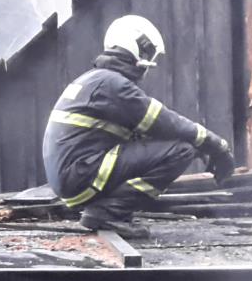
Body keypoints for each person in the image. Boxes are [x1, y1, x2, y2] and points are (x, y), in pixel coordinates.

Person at [42, 14, 236, 239]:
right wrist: (216, 145)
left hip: (76, 175)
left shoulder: (96, 79)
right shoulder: (113, 85)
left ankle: (107, 210)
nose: (147, 64)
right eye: (147, 53)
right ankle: (108, 213)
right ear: (137, 48)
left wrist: (202, 147)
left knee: (173, 144)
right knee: (181, 150)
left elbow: (150, 135)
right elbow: (164, 121)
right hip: (80, 176)